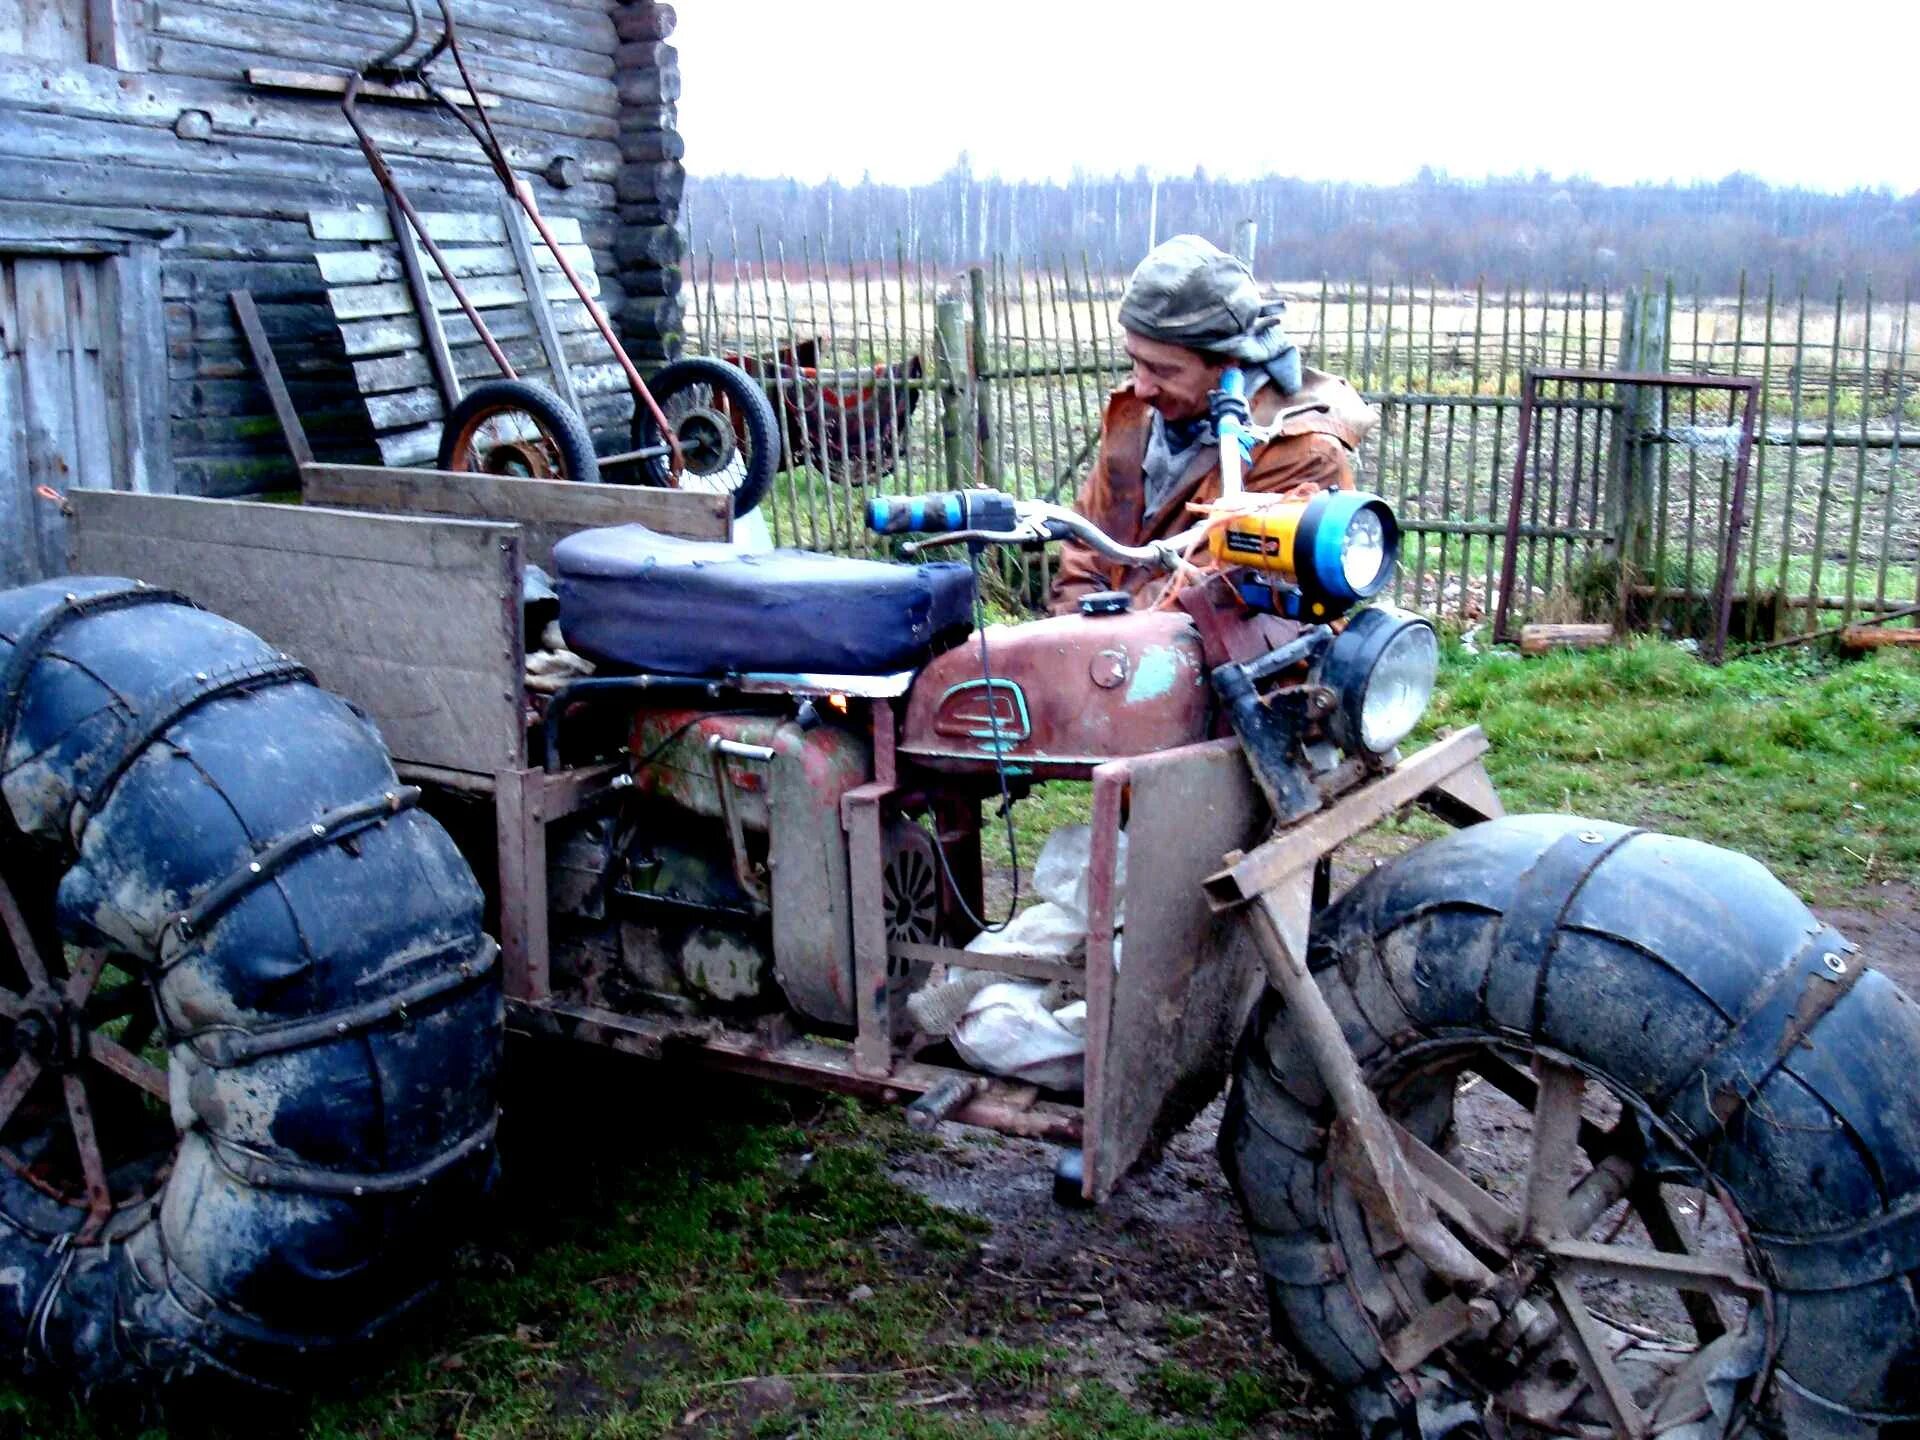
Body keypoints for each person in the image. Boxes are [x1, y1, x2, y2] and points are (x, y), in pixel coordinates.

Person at [1049, 235, 1378, 614]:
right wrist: (1067, 638)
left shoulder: (1300, 450)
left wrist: (1095, 646)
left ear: (1229, 365)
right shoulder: (1133, 416)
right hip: (1108, 650)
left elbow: (1213, 594)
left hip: (1231, 664)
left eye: (1162, 369)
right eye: (1135, 361)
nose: (1140, 387)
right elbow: (1085, 549)